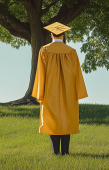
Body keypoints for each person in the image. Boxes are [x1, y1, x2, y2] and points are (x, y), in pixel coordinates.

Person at [31, 22, 88, 156]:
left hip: (50, 91)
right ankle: (66, 152)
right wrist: (78, 91)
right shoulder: (71, 51)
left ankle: (55, 152)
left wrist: (40, 92)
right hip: (68, 91)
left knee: (52, 119)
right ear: (63, 35)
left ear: (51, 35)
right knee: (66, 118)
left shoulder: (44, 50)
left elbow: (41, 73)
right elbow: (77, 73)